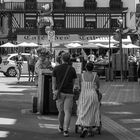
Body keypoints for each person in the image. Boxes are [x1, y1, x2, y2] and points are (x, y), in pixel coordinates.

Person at [52, 52, 77, 137]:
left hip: (59, 93)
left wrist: (54, 91)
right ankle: (66, 130)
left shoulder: (56, 69)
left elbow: (54, 83)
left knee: (61, 111)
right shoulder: (72, 69)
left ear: (61, 59)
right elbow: (73, 83)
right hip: (69, 93)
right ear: (69, 59)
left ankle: (60, 127)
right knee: (68, 112)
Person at [76, 62, 100, 138]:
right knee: (92, 112)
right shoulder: (95, 76)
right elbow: (98, 86)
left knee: (82, 110)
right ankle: (90, 130)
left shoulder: (81, 76)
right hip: (93, 95)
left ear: (85, 68)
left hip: (84, 95)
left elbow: (79, 86)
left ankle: (84, 127)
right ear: (93, 68)